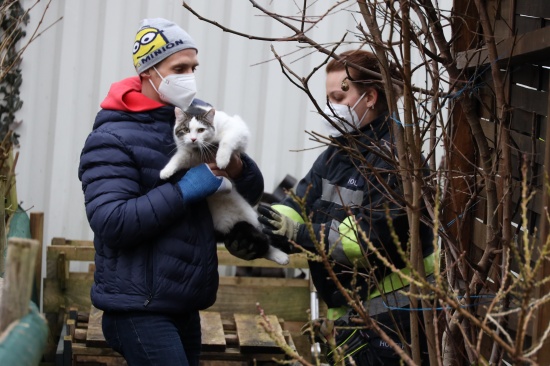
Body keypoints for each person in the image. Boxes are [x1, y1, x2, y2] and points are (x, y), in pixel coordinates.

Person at [78, 18, 264, 366]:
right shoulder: (111, 137)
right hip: (139, 308)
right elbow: (112, 222)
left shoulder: (194, 121)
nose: (189, 76)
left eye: (193, 67)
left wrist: (239, 167)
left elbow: (248, 192)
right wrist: (184, 190)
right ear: (149, 72)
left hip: (185, 303)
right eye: (179, 68)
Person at [257, 49, 434, 365]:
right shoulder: (337, 152)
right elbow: (298, 203)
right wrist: (262, 231)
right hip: (351, 315)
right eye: (328, 98)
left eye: (340, 96)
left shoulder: (396, 160)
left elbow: (363, 242)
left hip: (393, 316)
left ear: (370, 97)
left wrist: (298, 234)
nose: (331, 108)